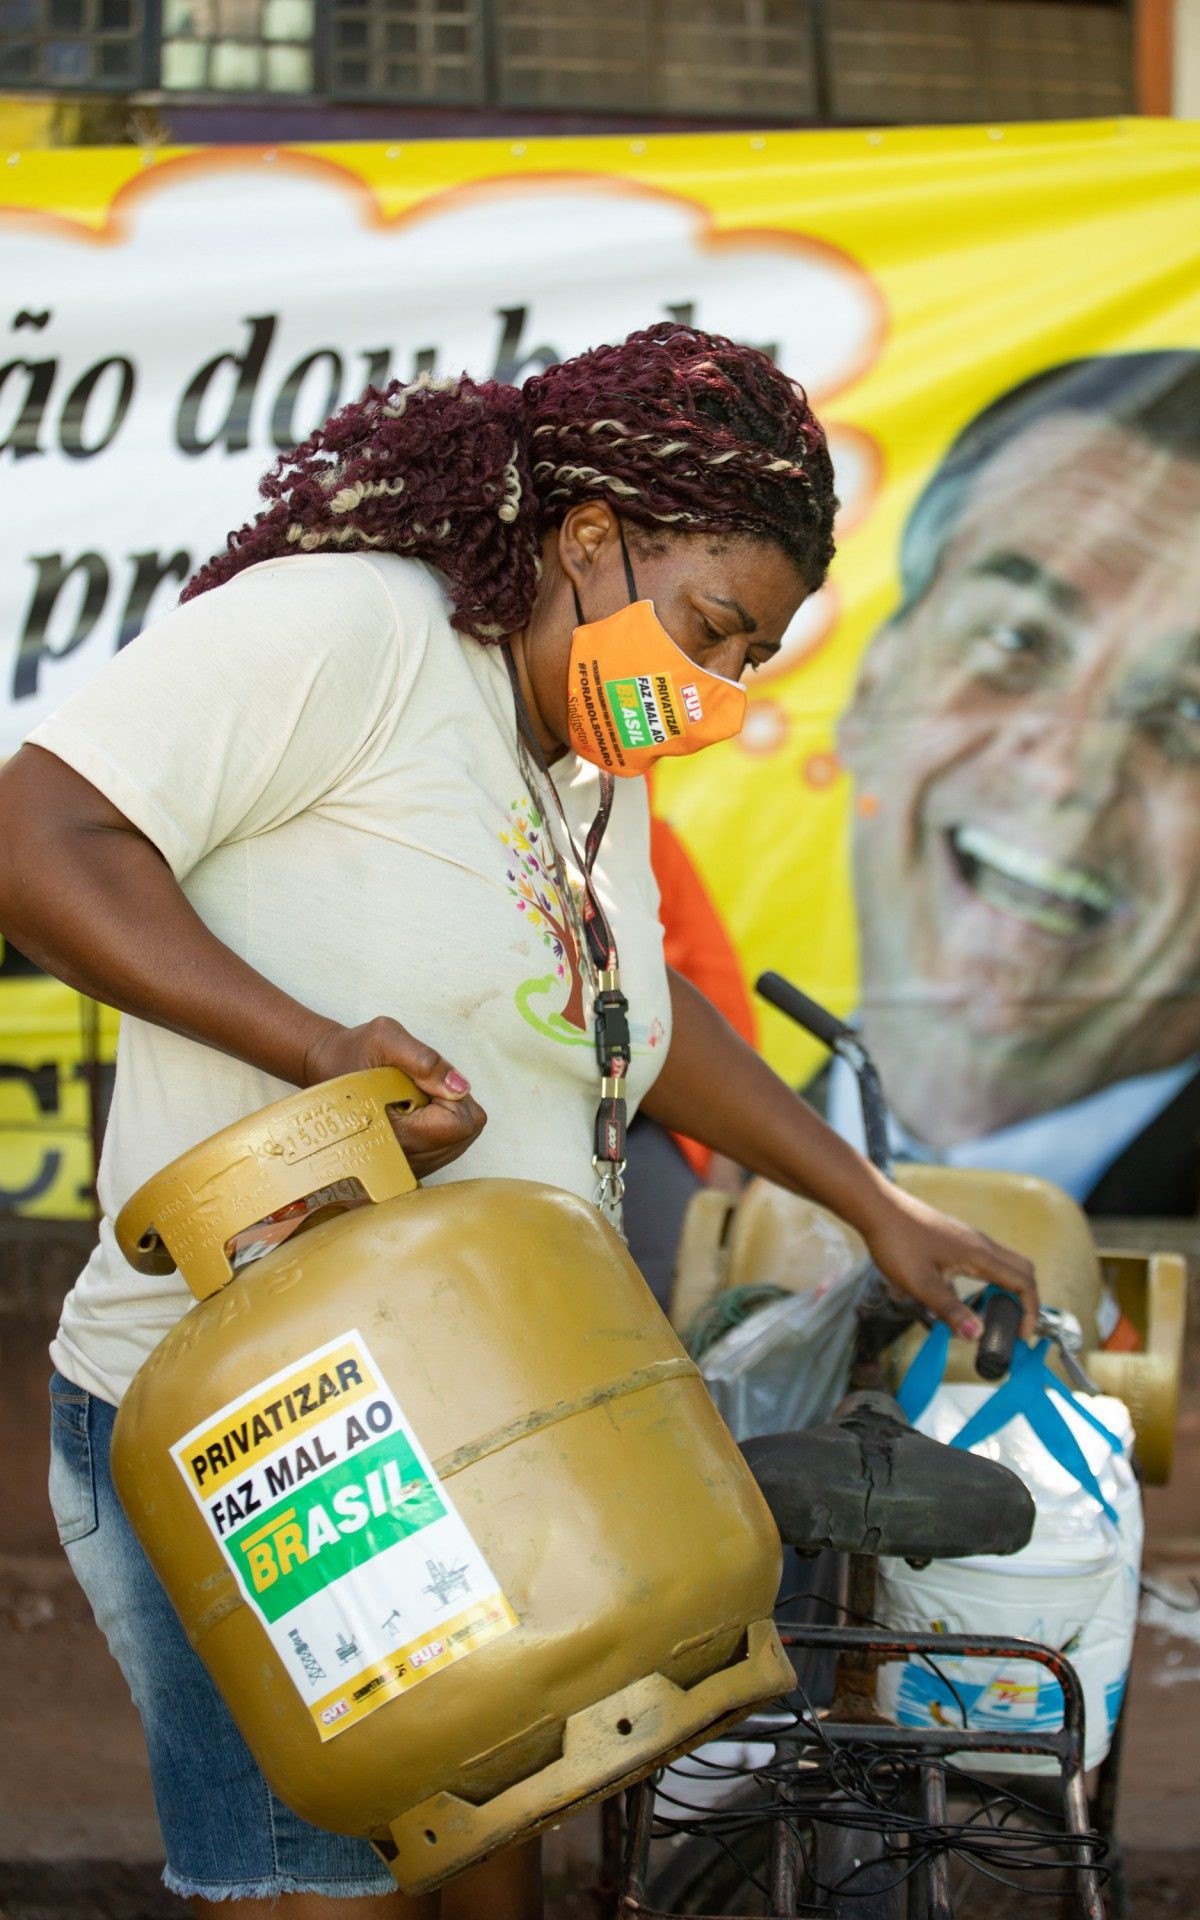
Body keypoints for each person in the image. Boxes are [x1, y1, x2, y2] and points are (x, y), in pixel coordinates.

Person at [0, 323, 1036, 1920]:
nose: (717, 690)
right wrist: (317, 1049)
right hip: (262, 1441)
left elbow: (637, 1027)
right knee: (325, 1892)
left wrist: (876, 1203)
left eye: (750, 661)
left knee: (498, 1872)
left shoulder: (577, 769)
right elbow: (41, 833)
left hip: (484, 1419)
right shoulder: (352, 629)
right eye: (710, 628)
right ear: (586, 536)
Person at [837, 350, 1200, 1213]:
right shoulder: (653, 1154)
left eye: (1190, 710)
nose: (1067, 772)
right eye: (1016, 639)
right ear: (872, 687)